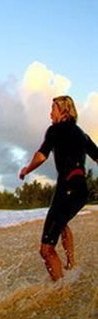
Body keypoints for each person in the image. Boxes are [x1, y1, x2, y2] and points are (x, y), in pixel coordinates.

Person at [19, 95, 98, 281]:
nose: (50, 113)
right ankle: (71, 265)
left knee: (46, 250)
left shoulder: (55, 130)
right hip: (81, 192)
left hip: (67, 190)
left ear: (63, 110)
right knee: (62, 223)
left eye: (53, 108)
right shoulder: (82, 134)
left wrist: (26, 169)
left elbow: (41, 156)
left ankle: (61, 287)